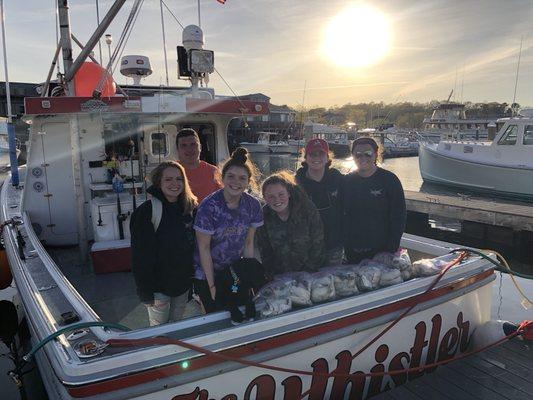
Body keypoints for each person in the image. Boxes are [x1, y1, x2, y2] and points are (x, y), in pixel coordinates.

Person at [193, 147, 263, 313]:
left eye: (242, 178)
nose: (236, 182)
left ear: (248, 182)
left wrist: (246, 277)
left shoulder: (253, 205)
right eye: (230, 176)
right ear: (222, 178)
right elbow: (203, 248)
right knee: (215, 313)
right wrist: (211, 285)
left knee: (240, 310)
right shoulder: (209, 207)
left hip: (233, 271)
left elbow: (248, 243)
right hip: (207, 272)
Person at [130, 161, 198, 326]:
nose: (174, 184)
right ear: (158, 182)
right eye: (168, 179)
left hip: (182, 285)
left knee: (176, 326)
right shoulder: (146, 212)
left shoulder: (190, 208)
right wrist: (144, 291)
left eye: (178, 179)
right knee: (159, 332)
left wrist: (191, 283)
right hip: (158, 288)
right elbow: (140, 256)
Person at [342, 137, 406, 264]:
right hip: (353, 251)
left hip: (383, 251)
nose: (363, 158)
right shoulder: (346, 181)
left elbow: (399, 216)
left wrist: (391, 248)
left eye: (368, 154)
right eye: (358, 154)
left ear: (376, 154)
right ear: (353, 156)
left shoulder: (389, 180)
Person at [257, 171, 326, 277]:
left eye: (281, 194)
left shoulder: (306, 208)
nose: (277, 199)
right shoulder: (263, 216)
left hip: (311, 272)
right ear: (265, 198)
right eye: (271, 196)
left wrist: (309, 270)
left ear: (288, 193)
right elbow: (265, 251)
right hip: (280, 276)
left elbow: (318, 241)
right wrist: (273, 275)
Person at [295, 138, 344, 266]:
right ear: (305, 157)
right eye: (312, 154)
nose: (316, 157)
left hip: (334, 245)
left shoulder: (337, 178)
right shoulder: (296, 182)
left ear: (327, 157)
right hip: (307, 246)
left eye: (321, 154)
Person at [176, 128, 221, 203]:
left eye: (193, 144)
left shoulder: (214, 172)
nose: (189, 149)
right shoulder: (170, 172)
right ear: (177, 150)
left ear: (200, 147)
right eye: (184, 145)